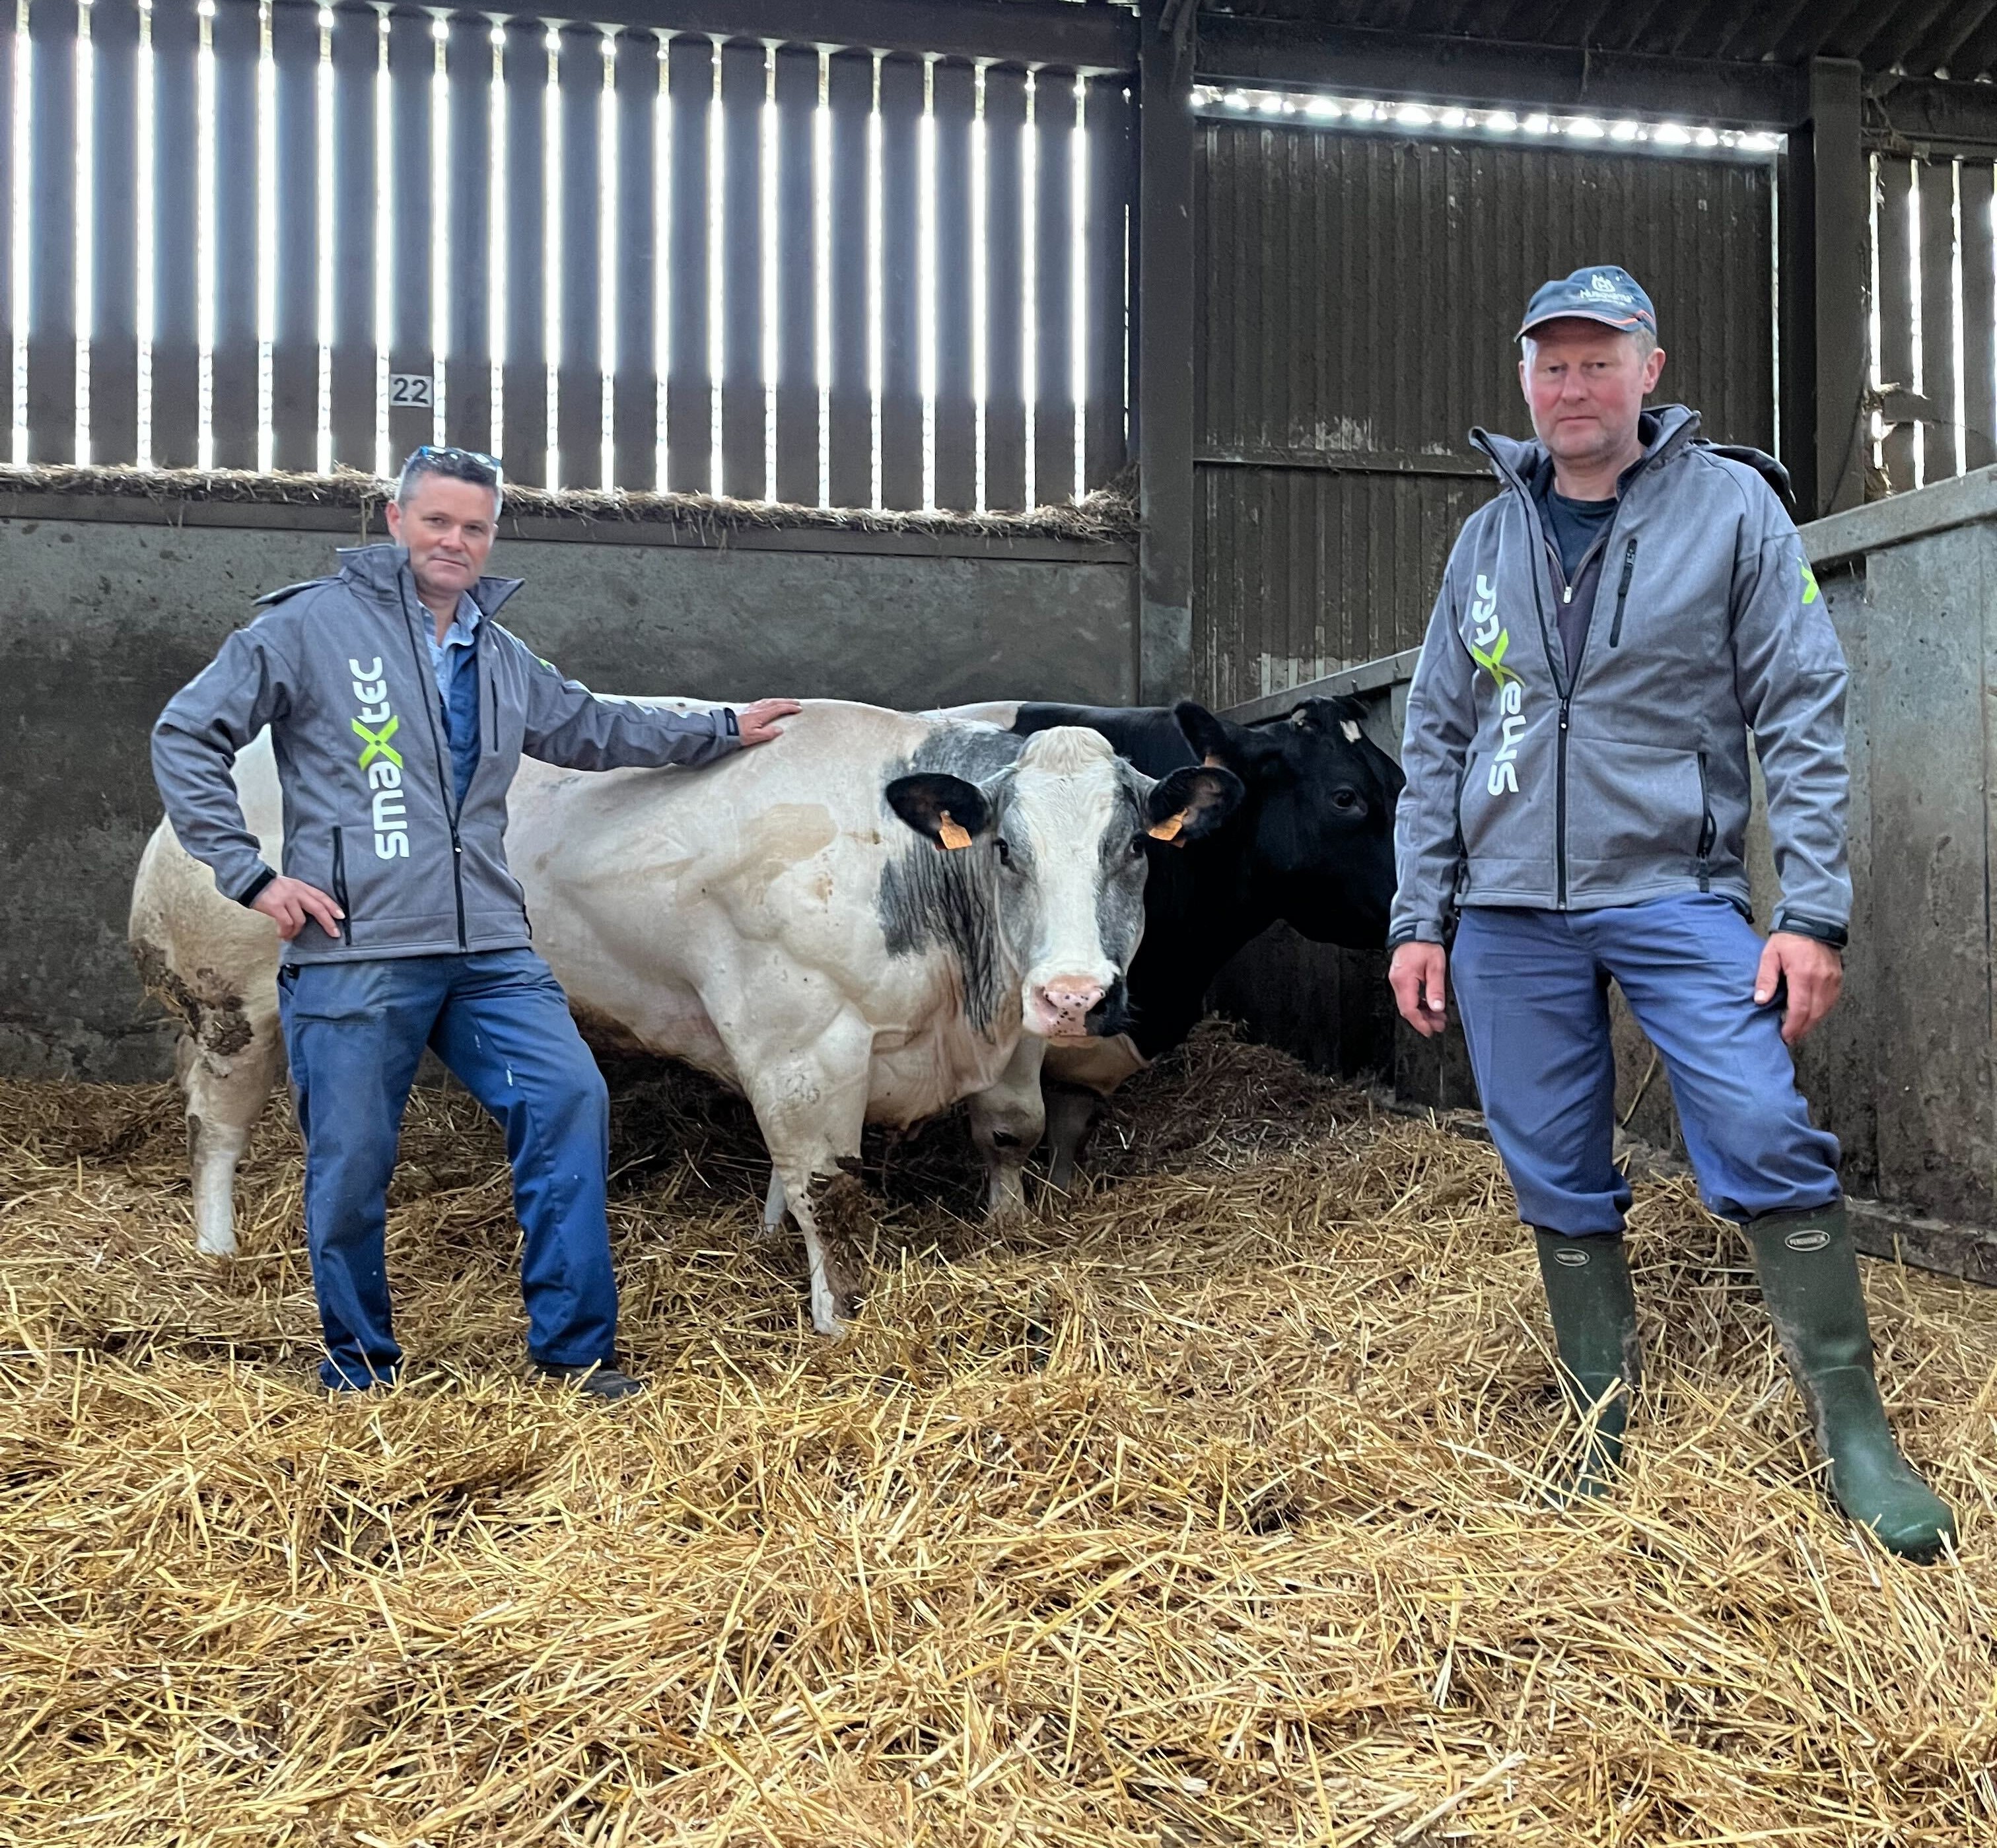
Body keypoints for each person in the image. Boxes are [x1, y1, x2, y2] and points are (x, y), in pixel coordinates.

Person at [1387, 267, 1953, 1559]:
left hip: (1674, 890)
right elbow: (1435, 732)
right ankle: (1600, 1414)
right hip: (1508, 912)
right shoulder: (1489, 537)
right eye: (1551, 364)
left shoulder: (1732, 512)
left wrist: (1811, 910)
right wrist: (1421, 914)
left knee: (1759, 1123)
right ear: (1525, 380)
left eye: (1599, 361)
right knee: (1549, 1156)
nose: (1571, 386)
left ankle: (1856, 1435)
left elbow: (1802, 712)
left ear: (1651, 368)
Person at [152, 444, 800, 1400]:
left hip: (489, 948)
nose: (454, 541)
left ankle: (577, 1354)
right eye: (437, 521)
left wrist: (718, 728)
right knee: (352, 1158)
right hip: (357, 948)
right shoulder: (308, 628)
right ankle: (359, 1362)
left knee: (568, 1099)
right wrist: (252, 878)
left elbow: (592, 724)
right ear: (395, 520)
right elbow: (187, 735)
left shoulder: (496, 652)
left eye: (474, 527)